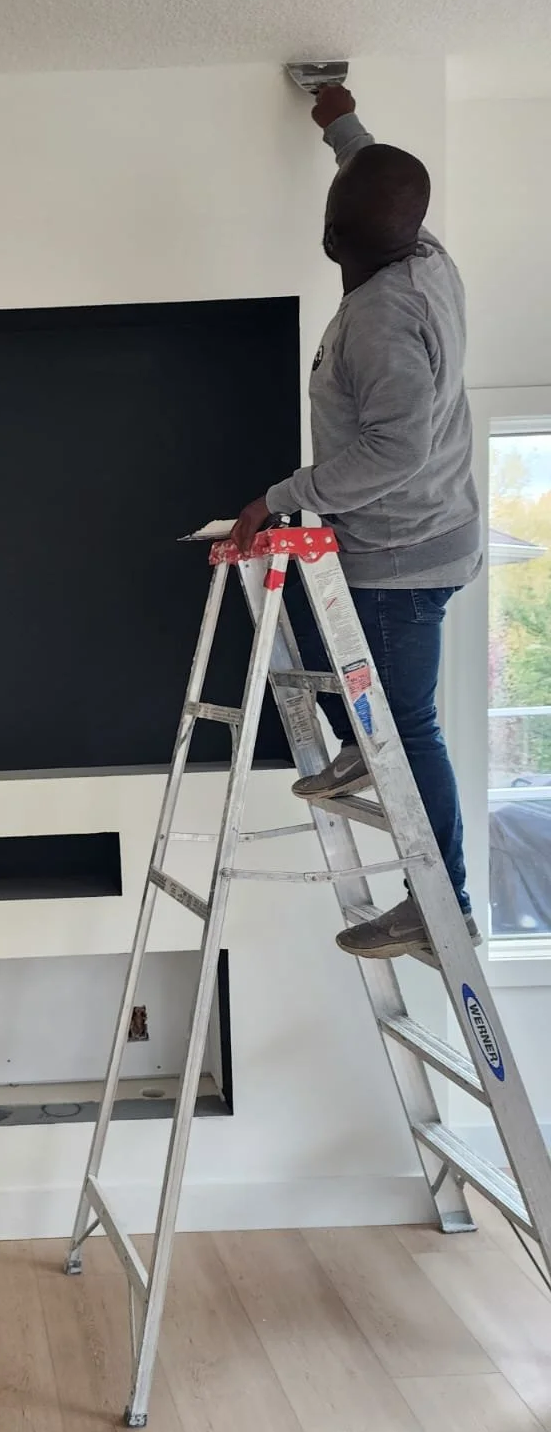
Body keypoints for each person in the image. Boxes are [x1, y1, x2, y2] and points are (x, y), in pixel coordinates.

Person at [230, 82, 482, 962]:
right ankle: (358, 753)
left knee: (409, 727)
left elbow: (394, 452)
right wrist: (342, 124)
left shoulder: (379, 321)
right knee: (321, 635)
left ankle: (439, 906)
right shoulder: (422, 252)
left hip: (405, 549)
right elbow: (375, 181)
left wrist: (278, 498)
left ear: (333, 241)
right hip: (418, 533)